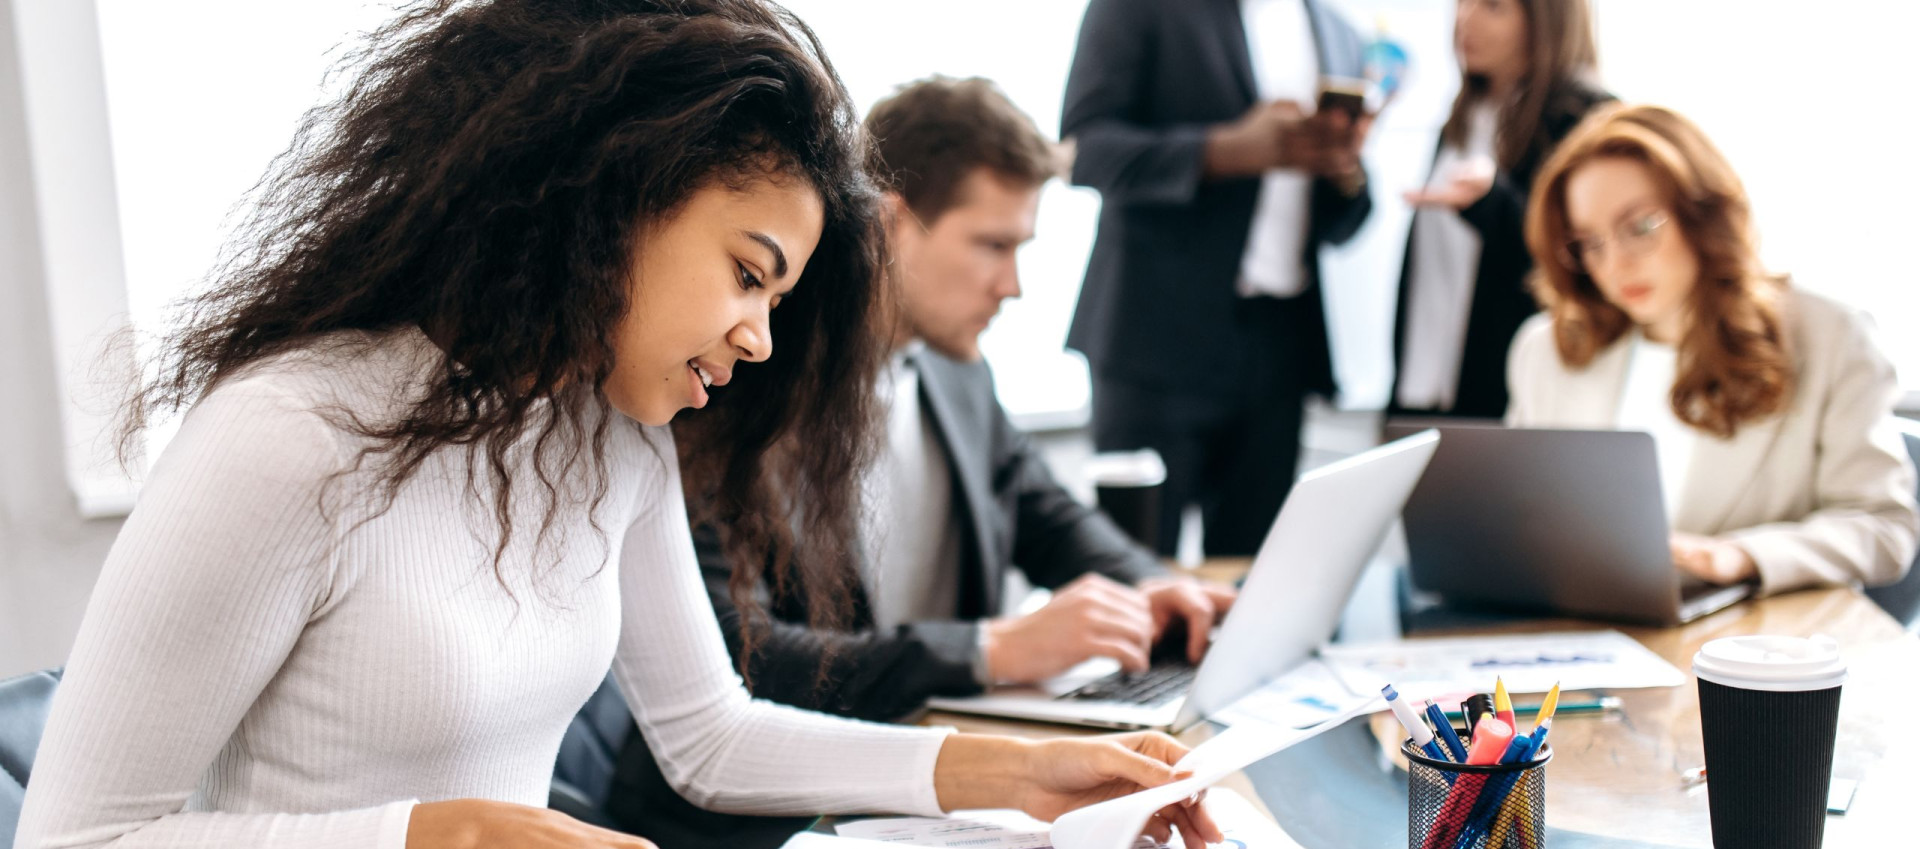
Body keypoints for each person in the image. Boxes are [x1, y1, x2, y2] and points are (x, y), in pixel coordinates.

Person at [13, 4, 1222, 849]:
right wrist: (425, 839)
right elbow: (80, 838)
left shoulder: (611, 437)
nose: (757, 339)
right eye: (749, 275)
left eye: (779, 301)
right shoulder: (290, 435)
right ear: (609, 198)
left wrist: (1016, 774)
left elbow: (710, 738)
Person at [599, 76, 1240, 847]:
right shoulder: (721, 382)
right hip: (741, 825)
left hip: (918, 785)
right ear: (891, 225)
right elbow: (749, 661)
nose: (1014, 286)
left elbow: (1045, 510)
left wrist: (1155, 587)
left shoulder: (958, 373)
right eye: (993, 246)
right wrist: (989, 649)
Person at [1508, 103, 1919, 595]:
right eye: (1590, 242)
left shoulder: (1831, 336)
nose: (1615, 263)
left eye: (1639, 227)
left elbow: (1884, 527)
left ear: (1702, 212)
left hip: (1755, 642)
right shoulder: (1546, 350)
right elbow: (1524, 520)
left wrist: (1744, 555)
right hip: (1591, 632)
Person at [1061, 0, 1374, 557]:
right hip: (1154, 338)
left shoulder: (1340, 32)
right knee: (1137, 570)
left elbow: (1342, 221)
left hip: (1280, 347)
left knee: (1254, 577)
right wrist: (1224, 152)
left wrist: (1345, 170)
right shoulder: (1140, 10)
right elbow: (1083, 153)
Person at [1392, 0, 1611, 420]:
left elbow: (1585, 261)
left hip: (1509, 395)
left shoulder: (1583, 116)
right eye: (1462, 2)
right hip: (1425, 387)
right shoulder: (1463, 116)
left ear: (1546, 20)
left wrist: (1492, 203)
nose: (1465, 18)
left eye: (1493, 6)